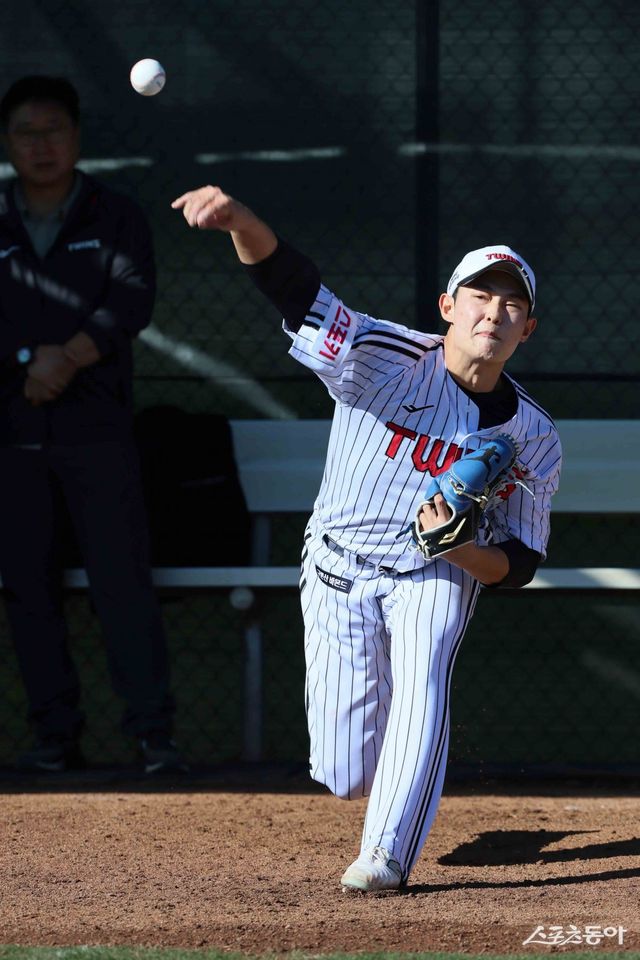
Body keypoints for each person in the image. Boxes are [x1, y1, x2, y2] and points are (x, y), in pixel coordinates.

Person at [171, 185, 561, 890]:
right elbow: (295, 291)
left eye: (512, 305)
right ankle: (389, 787)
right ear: (447, 307)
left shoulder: (533, 436)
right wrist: (241, 221)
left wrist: (459, 550)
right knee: (345, 772)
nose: (493, 313)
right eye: (480, 295)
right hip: (337, 565)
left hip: (434, 574)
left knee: (424, 681)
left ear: (527, 329)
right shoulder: (383, 355)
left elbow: (522, 560)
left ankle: (386, 855)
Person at [0, 76, 186, 775]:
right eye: (26, 132)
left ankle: (153, 737)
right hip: (14, 434)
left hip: (99, 433)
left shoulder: (117, 215)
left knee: (122, 585)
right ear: (7, 144)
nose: (41, 144)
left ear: (76, 138)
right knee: (28, 588)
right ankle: (55, 738)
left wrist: (67, 358)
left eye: (53, 129)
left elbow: (130, 301)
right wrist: (29, 362)